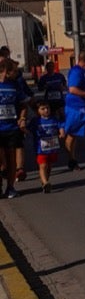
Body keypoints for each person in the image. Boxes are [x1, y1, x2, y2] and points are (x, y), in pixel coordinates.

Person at [0, 58, 29, 198]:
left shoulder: (15, 85)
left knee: (11, 160)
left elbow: (23, 104)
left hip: (11, 128)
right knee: (2, 162)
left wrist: (22, 119)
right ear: (6, 71)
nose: (17, 73)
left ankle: (10, 188)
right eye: (15, 71)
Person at [28, 100, 62, 193]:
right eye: (43, 109)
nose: (46, 110)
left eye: (47, 108)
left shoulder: (54, 119)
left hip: (52, 148)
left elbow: (60, 126)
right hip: (41, 149)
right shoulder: (35, 121)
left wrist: (62, 132)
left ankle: (44, 181)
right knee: (42, 165)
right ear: (37, 111)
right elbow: (28, 130)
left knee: (49, 166)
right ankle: (46, 182)